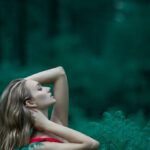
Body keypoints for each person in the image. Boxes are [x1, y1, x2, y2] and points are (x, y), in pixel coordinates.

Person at [0, 66, 100, 150]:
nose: (48, 88)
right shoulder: (38, 146)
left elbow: (59, 73)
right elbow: (92, 144)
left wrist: (15, 89)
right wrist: (46, 124)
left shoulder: (56, 126)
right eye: (40, 89)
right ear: (30, 102)